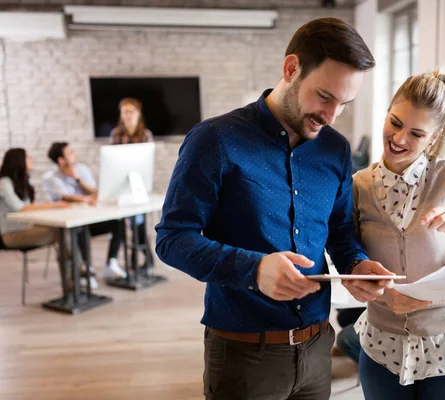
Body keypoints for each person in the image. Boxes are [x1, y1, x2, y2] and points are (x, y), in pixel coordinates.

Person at [155, 18, 394, 400]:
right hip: (243, 356)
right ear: (291, 69)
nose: (331, 116)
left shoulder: (334, 149)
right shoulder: (214, 140)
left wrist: (356, 265)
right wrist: (254, 269)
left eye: (343, 104)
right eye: (325, 96)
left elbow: (340, 232)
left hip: (318, 350)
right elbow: (172, 239)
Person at [352, 71, 445, 400]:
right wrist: (386, 296)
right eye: (395, 122)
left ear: (434, 137)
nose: (399, 138)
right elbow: (351, 265)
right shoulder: (359, 185)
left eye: (416, 133)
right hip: (381, 347)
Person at [42, 142, 127, 287]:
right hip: (70, 224)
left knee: (118, 222)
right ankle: (86, 271)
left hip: (91, 218)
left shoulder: (82, 169)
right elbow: (66, 197)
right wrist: (86, 198)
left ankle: (111, 262)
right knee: (81, 228)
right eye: (70, 153)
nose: (75, 154)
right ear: (61, 160)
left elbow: (95, 193)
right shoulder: (51, 177)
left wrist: (77, 179)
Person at [109, 98, 153, 265]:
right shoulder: (116, 134)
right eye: (124, 112)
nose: (127, 115)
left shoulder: (146, 135)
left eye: (131, 111)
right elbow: (112, 161)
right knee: (122, 223)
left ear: (138, 114)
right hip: (121, 184)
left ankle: (142, 256)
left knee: (138, 223)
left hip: (139, 184)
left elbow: (147, 161)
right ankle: (140, 258)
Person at [0, 148, 69, 251]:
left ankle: (75, 265)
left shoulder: (22, 182)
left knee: (64, 228)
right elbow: (20, 207)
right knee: (62, 232)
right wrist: (53, 205)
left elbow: (29, 207)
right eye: (27, 157)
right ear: (18, 160)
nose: (31, 159)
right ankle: (76, 266)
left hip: (26, 227)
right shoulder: (4, 182)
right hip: (11, 233)